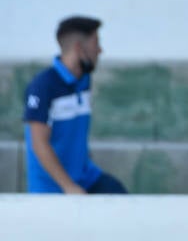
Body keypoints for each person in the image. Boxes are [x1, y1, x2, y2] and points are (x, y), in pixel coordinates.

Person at [24, 15, 126, 195]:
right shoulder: (43, 86)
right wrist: (68, 187)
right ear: (79, 48)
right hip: (54, 188)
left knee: (122, 200)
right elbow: (39, 143)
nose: (100, 50)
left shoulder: (84, 80)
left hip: (87, 177)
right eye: (96, 43)